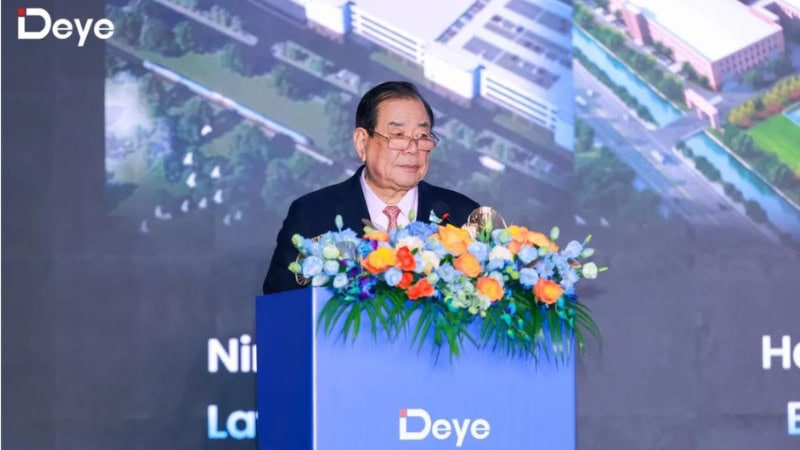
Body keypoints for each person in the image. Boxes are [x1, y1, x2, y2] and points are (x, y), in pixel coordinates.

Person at [262, 81, 479, 294]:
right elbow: (280, 310)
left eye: (422, 136)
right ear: (362, 142)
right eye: (398, 135)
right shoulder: (312, 215)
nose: (413, 149)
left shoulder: (461, 216)